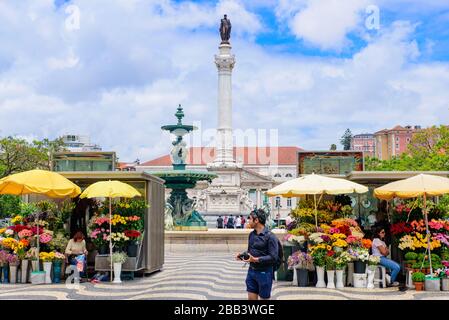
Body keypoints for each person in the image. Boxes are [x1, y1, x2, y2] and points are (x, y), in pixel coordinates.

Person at [235, 209, 278, 300]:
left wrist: (256, 259)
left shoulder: (270, 236)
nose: (248, 221)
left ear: (256, 220)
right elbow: (250, 252)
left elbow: (273, 257)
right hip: (252, 271)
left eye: (250, 219)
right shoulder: (251, 235)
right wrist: (243, 256)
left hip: (264, 272)